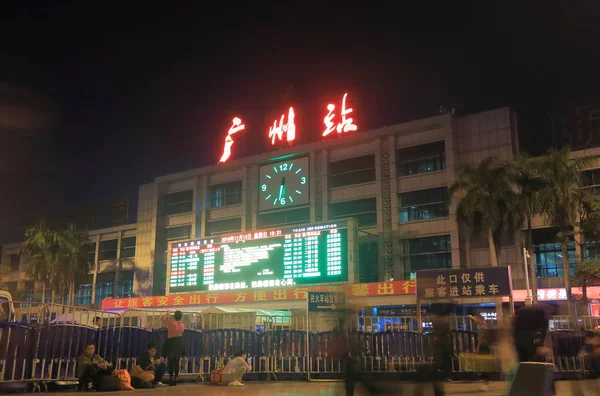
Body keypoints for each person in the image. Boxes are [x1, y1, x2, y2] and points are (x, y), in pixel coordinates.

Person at [161, 310, 185, 386]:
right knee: (176, 362)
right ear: (181, 317)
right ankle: (175, 378)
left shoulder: (171, 323)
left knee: (170, 362)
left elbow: (162, 319)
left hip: (171, 343)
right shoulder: (182, 325)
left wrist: (167, 313)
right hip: (179, 343)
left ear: (174, 316)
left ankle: (171, 378)